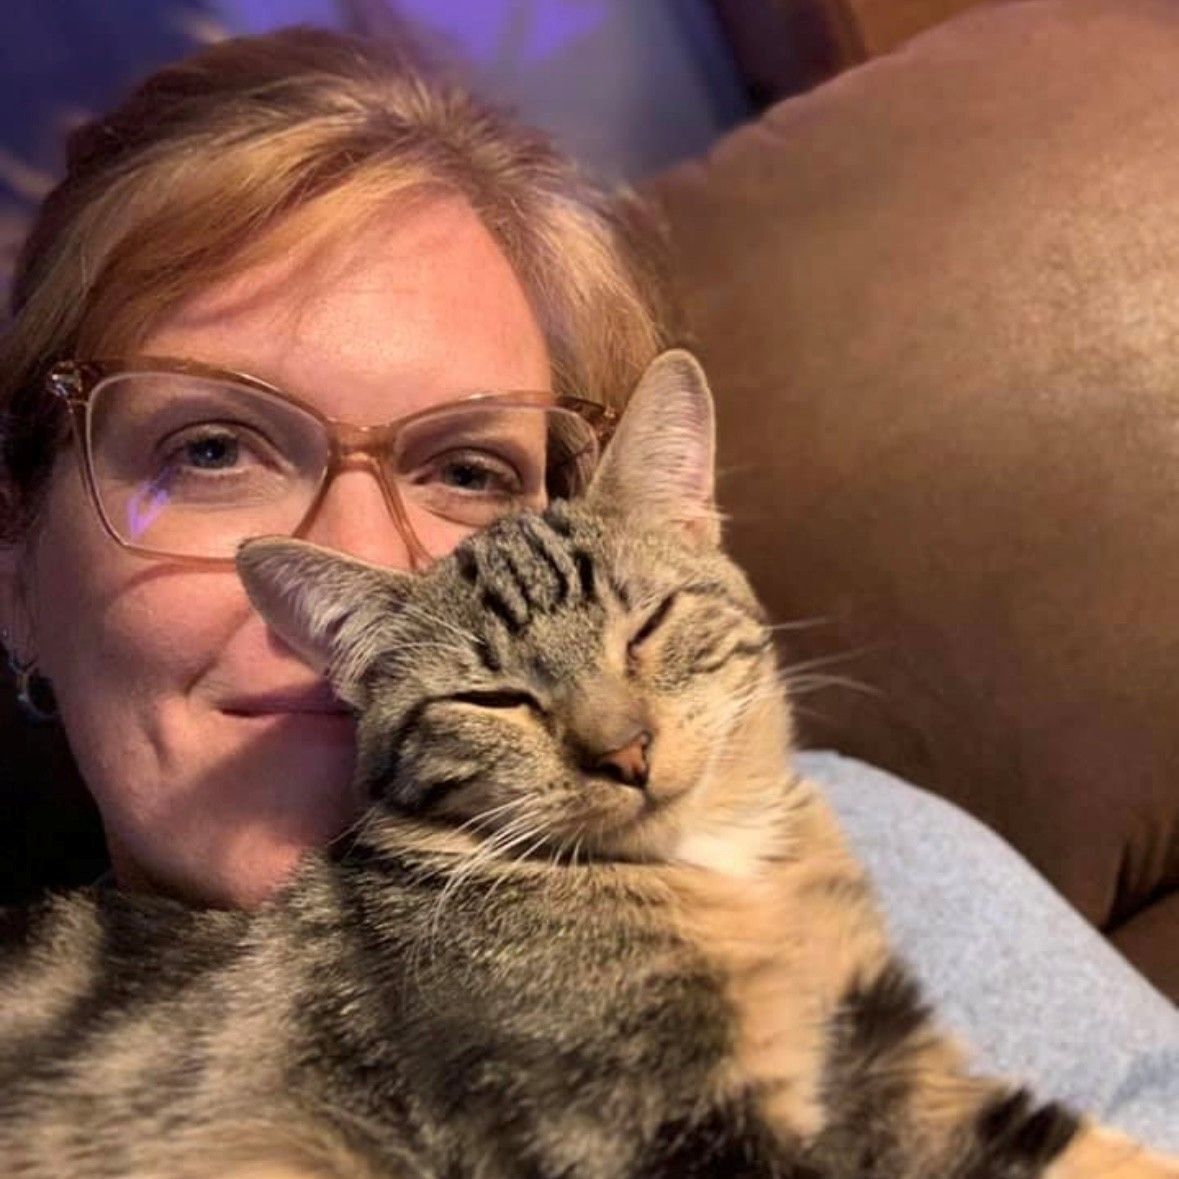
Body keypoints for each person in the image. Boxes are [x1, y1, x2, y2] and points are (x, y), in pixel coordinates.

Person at [0, 25, 1175, 1151]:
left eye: (469, 469)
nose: (382, 563)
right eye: (213, 450)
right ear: (17, 572)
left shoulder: (839, 839)